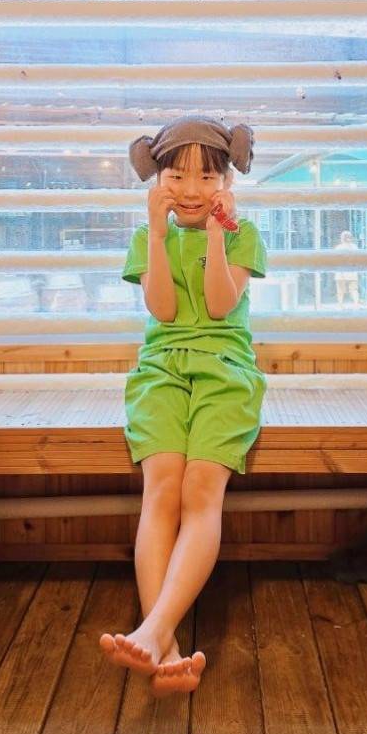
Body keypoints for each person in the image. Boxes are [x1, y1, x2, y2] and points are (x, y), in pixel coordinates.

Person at [99, 114, 268, 697]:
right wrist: (154, 230)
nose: (192, 189)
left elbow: (220, 306)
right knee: (161, 488)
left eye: (207, 177)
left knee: (201, 491)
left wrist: (218, 234)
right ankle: (162, 645)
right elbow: (165, 312)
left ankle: (153, 632)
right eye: (177, 176)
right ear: (158, 179)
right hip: (161, 370)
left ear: (227, 181)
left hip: (226, 370)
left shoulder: (244, 234)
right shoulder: (150, 237)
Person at [334, 229, 360, 306]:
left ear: (342, 238)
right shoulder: (355, 247)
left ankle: (340, 305)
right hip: (352, 271)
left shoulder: (338, 248)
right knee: (354, 289)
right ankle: (356, 304)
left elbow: (335, 259)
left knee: (340, 290)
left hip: (341, 271)